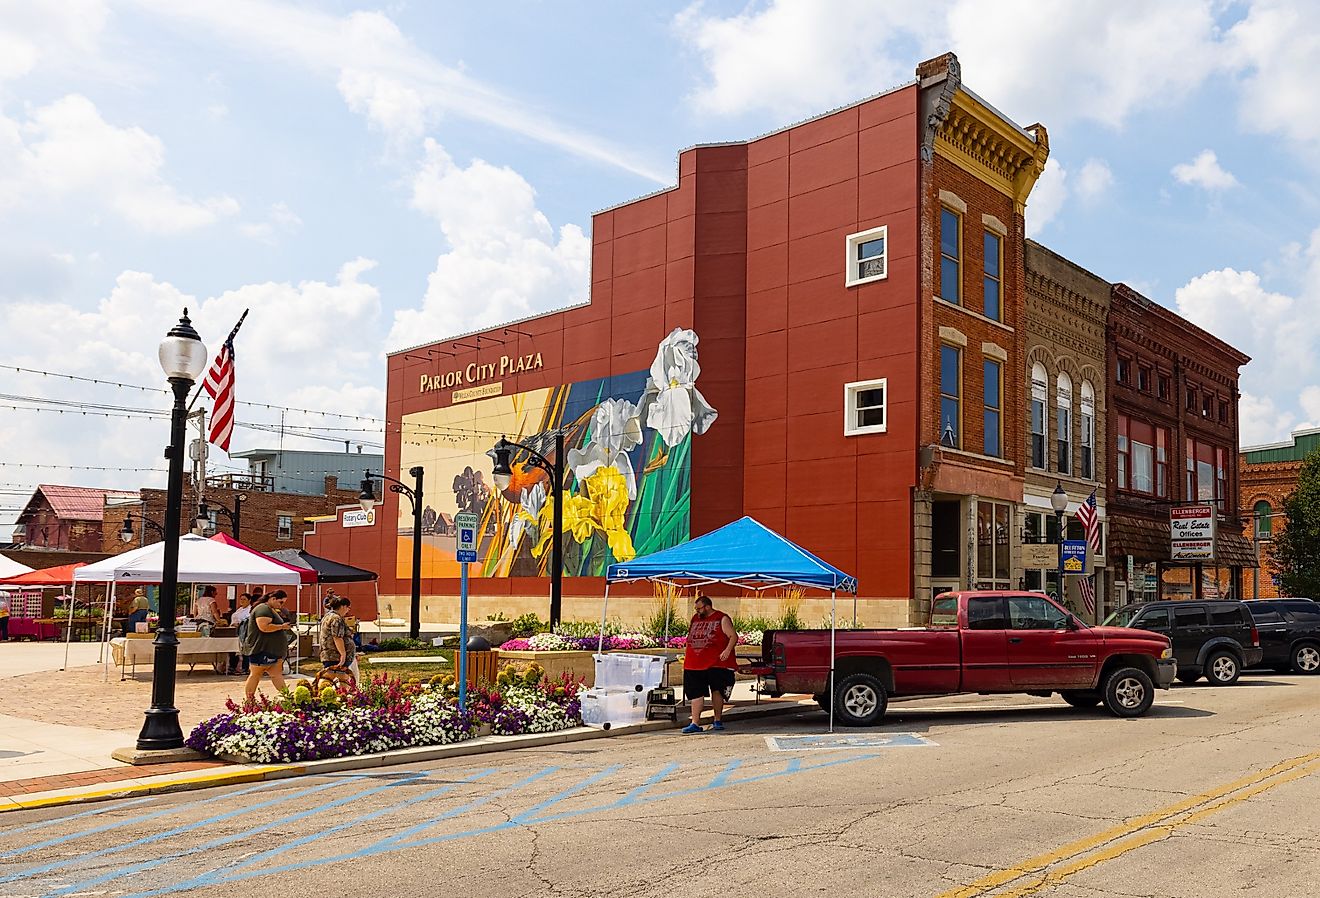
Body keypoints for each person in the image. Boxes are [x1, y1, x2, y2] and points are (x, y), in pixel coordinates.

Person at [681, 595, 738, 734]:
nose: (697, 611)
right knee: (695, 693)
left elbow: (733, 636)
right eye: (696, 609)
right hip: (694, 663)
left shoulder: (722, 618)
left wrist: (727, 651)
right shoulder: (695, 618)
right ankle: (695, 722)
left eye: (699, 608)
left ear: (707, 606)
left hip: (716, 663)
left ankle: (717, 719)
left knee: (717, 690)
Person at [243, 590, 294, 700]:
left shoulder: (270, 609)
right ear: (273, 598)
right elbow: (264, 627)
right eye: (281, 602)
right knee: (255, 674)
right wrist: (282, 627)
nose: (281, 605)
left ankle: (288, 698)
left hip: (273, 650)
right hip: (262, 649)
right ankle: (249, 700)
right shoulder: (263, 609)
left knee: (276, 675)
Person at [319, 595, 359, 682]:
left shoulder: (327, 616)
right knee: (341, 681)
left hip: (329, 655)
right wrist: (343, 654)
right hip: (335, 656)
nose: (348, 610)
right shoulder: (336, 618)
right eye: (348, 607)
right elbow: (337, 637)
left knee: (331, 680)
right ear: (343, 606)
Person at [227, 593, 253, 676]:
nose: (242, 601)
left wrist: (239, 623)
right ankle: (232, 667)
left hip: (244, 632)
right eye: (241, 599)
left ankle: (245, 668)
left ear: (249, 600)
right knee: (233, 649)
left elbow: (247, 620)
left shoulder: (250, 610)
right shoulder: (240, 609)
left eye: (244, 599)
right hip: (234, 632)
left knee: (245, 650)